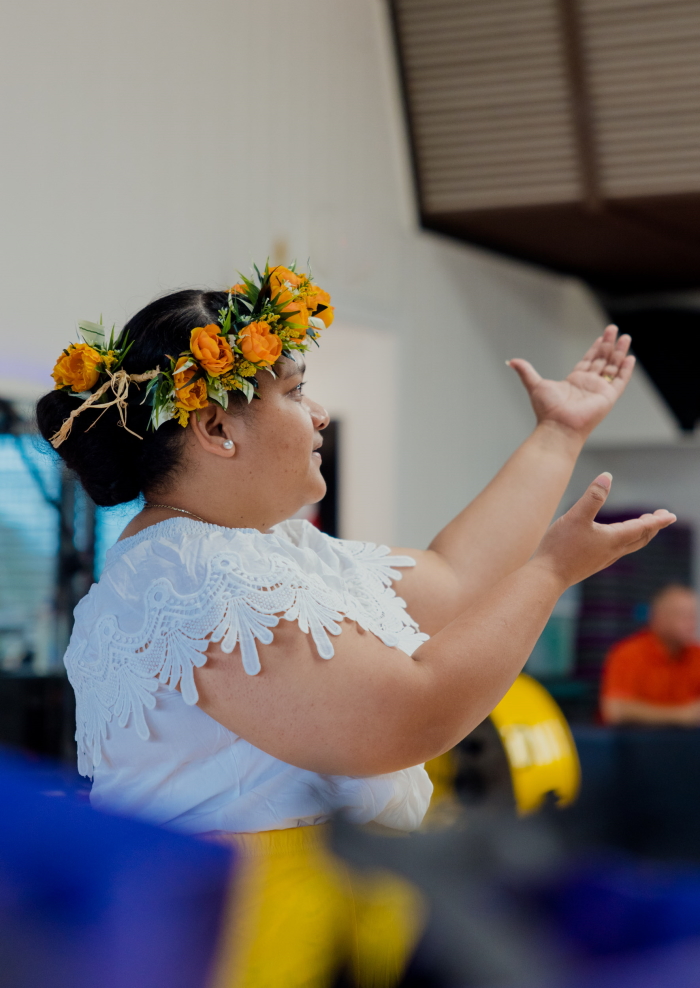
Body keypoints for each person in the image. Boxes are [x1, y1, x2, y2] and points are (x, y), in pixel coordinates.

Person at [36, 266, 674, 987]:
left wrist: (559, 433)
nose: (319, 416)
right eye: (296, 391)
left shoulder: (257, 549)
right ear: (216, 427)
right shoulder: (192, 572)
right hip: (254, 932)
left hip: (321, 909)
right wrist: (548, 574)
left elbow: (453, 580)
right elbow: (403, 720)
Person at [601, 585, 700, 727]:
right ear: (659, 617)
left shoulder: (696, 655)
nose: (691, 623)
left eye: (692, 616)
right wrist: (681, 715)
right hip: (634, 744)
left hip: (687, 744)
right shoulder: (628, 654)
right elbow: (615, 710)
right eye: (682, 615)